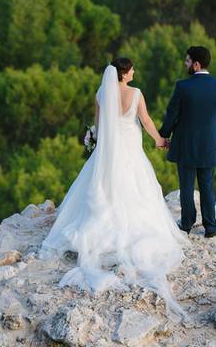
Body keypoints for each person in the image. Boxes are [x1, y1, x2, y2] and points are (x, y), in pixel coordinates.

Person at [39, 58, 190, 319]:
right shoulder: (136, 93)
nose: (134, 72)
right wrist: (159, 140)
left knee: (102, 186)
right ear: (124, 73)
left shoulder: (102, 93)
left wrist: (94, 141)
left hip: (109, 152)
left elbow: (98, 126)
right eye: (132, 69)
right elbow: (145, 120)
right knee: (138, 188)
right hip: (130, 149)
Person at [158, 46, 216, 238]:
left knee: (186, 187)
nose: (186, 64)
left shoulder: (183, 86)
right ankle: (211, 226)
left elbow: (172, 115)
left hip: (185, 145)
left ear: (196, 65)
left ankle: (187, 223)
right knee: (207, 186)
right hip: (209, 145)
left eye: (188, 61)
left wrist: (163, 135)